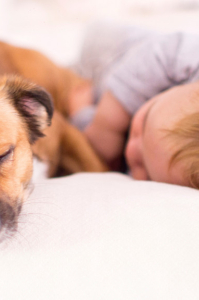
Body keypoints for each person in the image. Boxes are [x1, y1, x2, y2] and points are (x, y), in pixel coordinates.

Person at [69, 23, 199, 188]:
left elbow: (98, 147)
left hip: (92, 92)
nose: (131, 150)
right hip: (113, 52)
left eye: (140, 165)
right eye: (141, 126)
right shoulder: (190, 60)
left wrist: (81, 113)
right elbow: (169, 50)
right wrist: (106, 127)